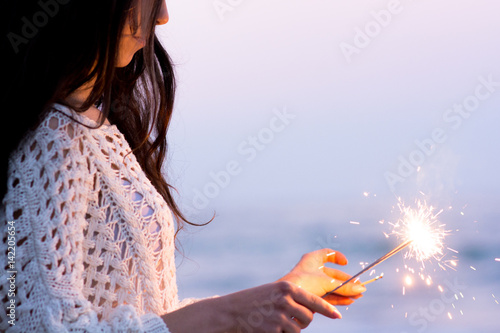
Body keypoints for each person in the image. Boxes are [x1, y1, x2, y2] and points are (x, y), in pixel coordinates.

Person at [0, 1, 366, 332]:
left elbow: (151, 314)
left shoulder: (95, 127)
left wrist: (275, 297)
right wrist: (231, 314)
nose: (162, 15)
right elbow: (32, 324)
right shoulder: (53, 137)